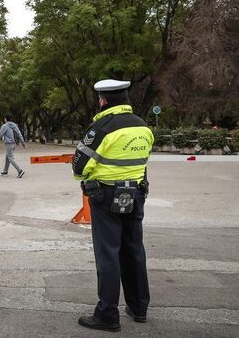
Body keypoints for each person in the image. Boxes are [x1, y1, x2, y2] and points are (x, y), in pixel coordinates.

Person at [72, 79, 154, 332]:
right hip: (137, 194)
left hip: (105, 198)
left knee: (108, 254)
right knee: (133, 250)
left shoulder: (101, 128)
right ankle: (139, 307)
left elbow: (79, 167)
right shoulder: (143, 127)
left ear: (104, 100)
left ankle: (107, 314)